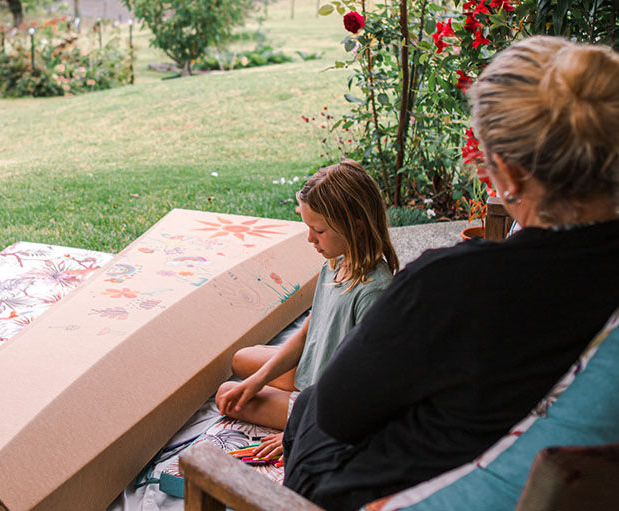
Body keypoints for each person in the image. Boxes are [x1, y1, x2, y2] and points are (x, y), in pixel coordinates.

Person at [283, 36, 619, 511]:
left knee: (311, 406)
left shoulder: (453, 285)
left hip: (386, 490)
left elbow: (337, 412)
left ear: (506, 174)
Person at [215, 160, 399, 459]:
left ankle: (294, 406)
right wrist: (257, 380)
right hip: (312, 369)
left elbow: (368, 390)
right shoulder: (336, 260)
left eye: (319, 230)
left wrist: (299, 432)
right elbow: (309, 330)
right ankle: (281, 389)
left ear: (356, 226)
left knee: (227, 395)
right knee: (241, 361)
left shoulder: (374, 290)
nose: (310, 239)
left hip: (328, 404)